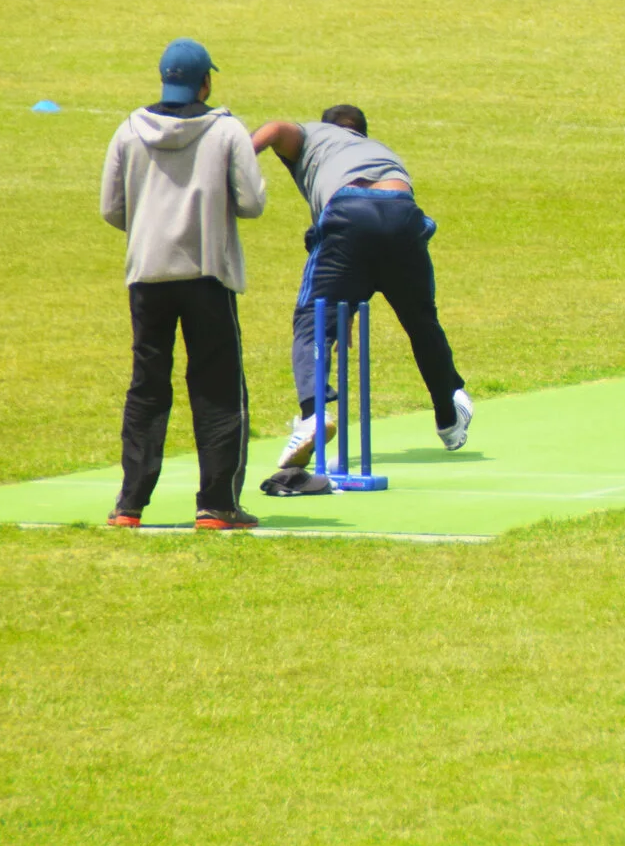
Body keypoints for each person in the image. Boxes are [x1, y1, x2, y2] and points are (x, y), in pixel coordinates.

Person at [98, 39, 268, 529]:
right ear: (205, 82)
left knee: (147, 389)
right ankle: (216, 506)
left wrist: (152, 226)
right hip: (207, 274)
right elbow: (253, 202)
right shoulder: (226, 130)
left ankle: (130, 505)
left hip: (147, 277)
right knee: (216, 387)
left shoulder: (129, 129)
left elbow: (111, 208)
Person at [252, 105, 473, 477]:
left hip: (349, 212)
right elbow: (372, 240)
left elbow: (275, 129)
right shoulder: (377, 152)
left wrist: (235, 154)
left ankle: (313, 415)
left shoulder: (315, 138)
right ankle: (450, 414)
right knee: (421, 321)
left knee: (312, 319)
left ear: (330, 127)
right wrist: (349, 308)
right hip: (404, 214)